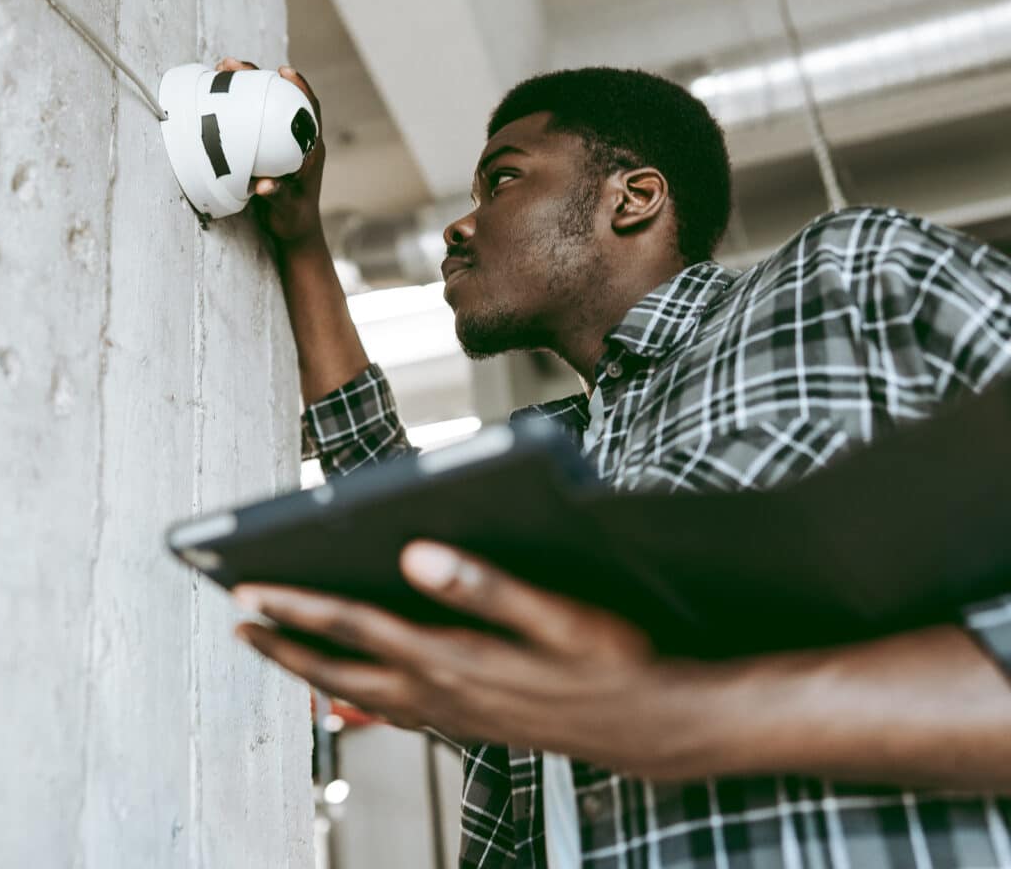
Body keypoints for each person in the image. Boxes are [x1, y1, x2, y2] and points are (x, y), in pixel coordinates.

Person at [223, 58, 1011, 869]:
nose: (460, 226)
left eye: (502, 181)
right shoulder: (551, 462)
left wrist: (689, 713)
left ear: (632, 198)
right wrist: (302, 242)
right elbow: (378, 494)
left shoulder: (847, 279)